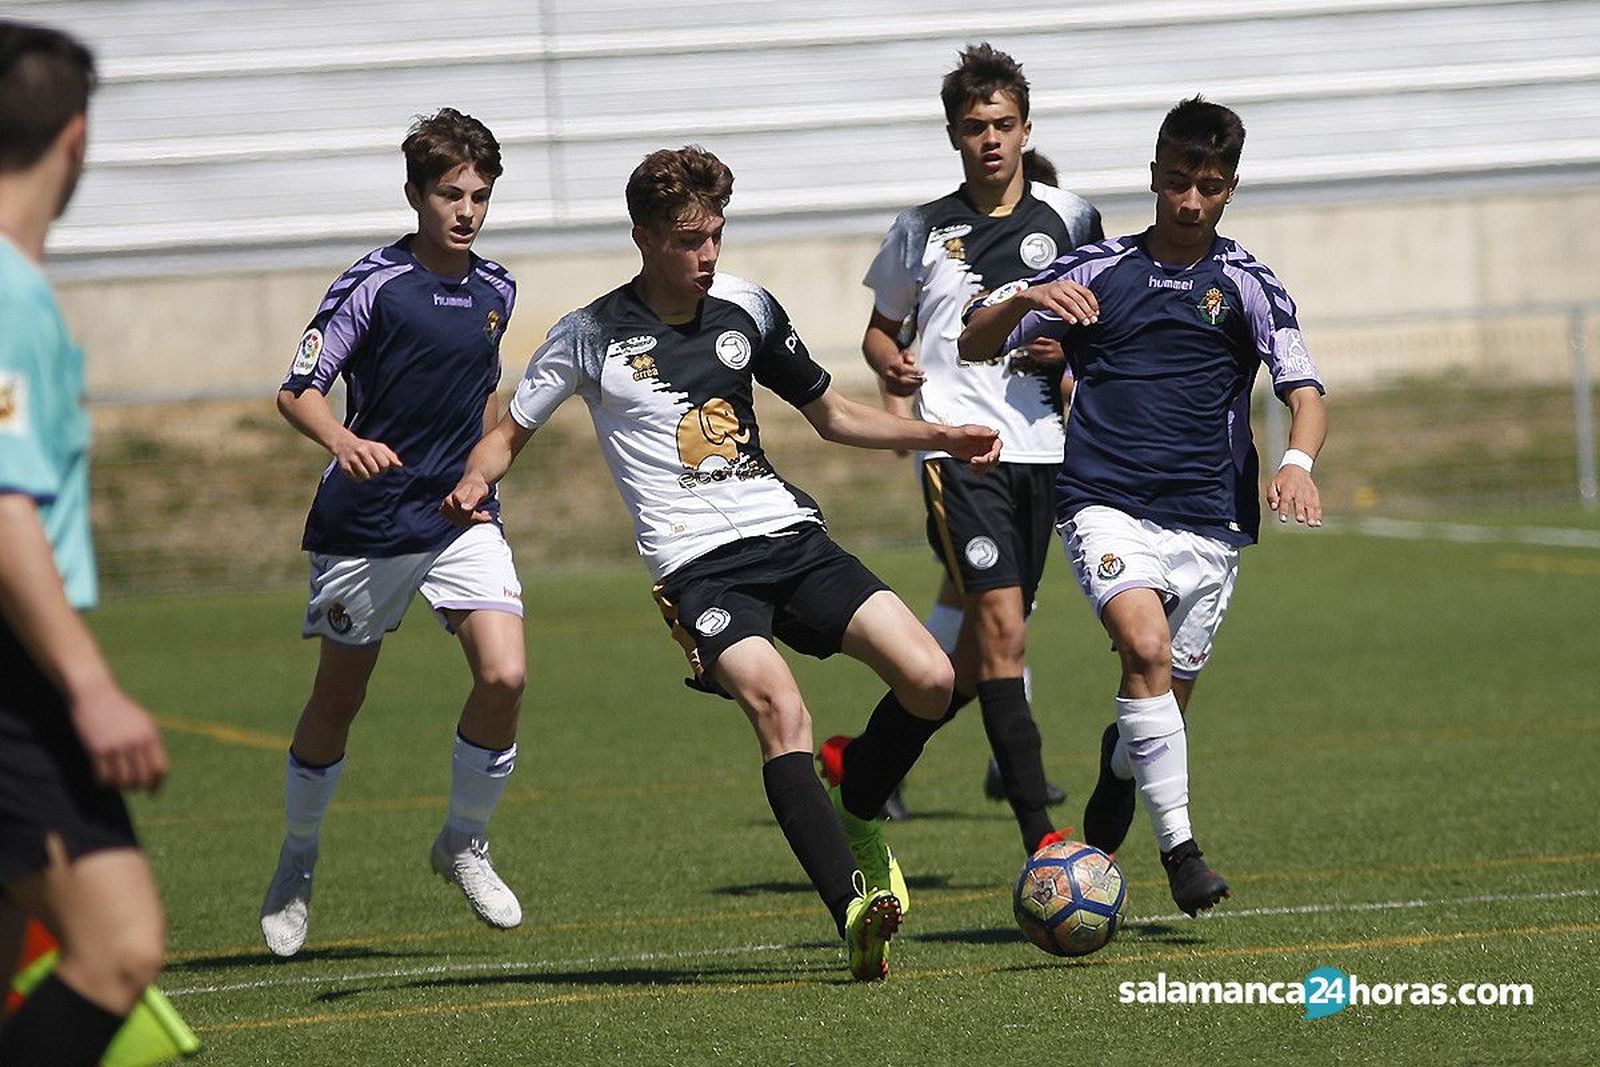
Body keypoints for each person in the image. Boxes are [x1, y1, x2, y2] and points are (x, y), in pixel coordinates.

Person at [443, 145, 1002, 980]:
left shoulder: (747, 306)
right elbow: (506, 438)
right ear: (644, 237)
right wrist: (466, 489)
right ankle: (853, 905)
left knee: (931, 678)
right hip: (698, 570)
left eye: (716, 235)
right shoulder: (588, 334)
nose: (707, 255)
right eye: (688, 240)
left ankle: (855, 811)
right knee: (782, 710)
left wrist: (940, 433)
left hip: (789, 537)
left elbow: (834, 415)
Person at [960, 96, 1328, 915]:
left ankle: (1122, 760)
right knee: (1144, 643)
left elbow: (1304, 389)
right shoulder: (1096, 269)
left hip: (1210, 520)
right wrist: (1023, 303)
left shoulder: (1249, 283)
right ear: (1153, 176)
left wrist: (1298, 461)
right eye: (1176, 183)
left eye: (1210, 186)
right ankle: (1183, 853)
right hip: (1105, 501)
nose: (1191, 203)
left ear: (1230, 187)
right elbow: (973, 340)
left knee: (1160, 688)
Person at [258, 108, 527, 958]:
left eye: (479, 195)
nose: (466, 210)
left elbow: (484, 396)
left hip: (458, 518)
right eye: (450, 193)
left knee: (506, 672)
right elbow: (298, 389)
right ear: (415, 193)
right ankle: (298, 858)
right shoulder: (371, 284)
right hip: (367, 524)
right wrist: (343, 440)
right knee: (339, 701)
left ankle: (464, 840)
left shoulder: (498, 290)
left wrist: (484, 472)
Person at [844, 45, 1103, 852]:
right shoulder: (922, 228)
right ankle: (1044, 841)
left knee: (963, 664)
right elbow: (880, 335)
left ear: (1026, 128)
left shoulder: (1073, 218)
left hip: (1044, 452)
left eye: (1001, 124)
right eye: (972, 128)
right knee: (1003, 631)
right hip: (961, 452)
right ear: (954, 136)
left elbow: (1099, 322)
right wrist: (894, 363)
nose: (989, 140)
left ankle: (861, 773)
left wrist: (1068, 354)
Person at [0, 21, 169, 1065]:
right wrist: (89, 684)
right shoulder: (8, 293)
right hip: (13, 676)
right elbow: (4, 504)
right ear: (77, 137)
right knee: (116, 944)